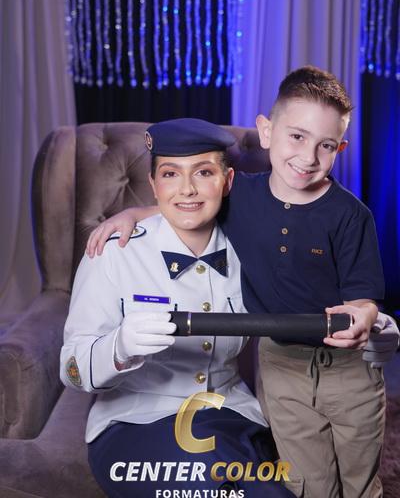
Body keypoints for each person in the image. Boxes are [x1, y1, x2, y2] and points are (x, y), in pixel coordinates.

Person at [86, 66, 400, 498]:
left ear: (340, 148)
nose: (308, 157)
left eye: (325, 145)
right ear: (266, 132)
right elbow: (190, 202)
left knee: (359, 478)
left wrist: (368, 317)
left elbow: (364, 297)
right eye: (297, 137)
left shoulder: (351, 215)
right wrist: (132, 213)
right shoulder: (240, 198)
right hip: (281, 367)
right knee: (306, 484)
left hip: (344, 368)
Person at [60, 118, 294, 498]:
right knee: (207, 483)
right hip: (135, 423)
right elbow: (71, 370)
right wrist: (117, 348)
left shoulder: (253, 250)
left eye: (203, 172)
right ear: (153, 185)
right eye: (170, 174)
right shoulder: (113, 253)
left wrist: (363, 318)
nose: (187, 188)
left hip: (230, 415)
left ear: (227, 181)